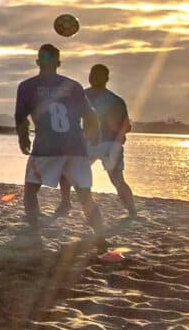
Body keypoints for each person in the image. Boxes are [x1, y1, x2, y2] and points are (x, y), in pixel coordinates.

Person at [15, 44, 104, 240]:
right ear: (59, 63)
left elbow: (21, 118)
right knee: (85, 196)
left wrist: (23, 138)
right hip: (75, 148)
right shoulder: (73, 86)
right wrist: (93, 136)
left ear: (38, 62)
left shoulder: (27, 86)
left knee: (30, 191)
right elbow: (90, 116)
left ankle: (34, 233)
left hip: (46, 148)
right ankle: (101, 238)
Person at [61, 63, 137, 219]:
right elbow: (126, 126)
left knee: (68, 173)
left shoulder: (85, 96)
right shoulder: (113, 99)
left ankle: (66, 202)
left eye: (95, 74)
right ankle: (132, 211)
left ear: (106, 78)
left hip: (100, 144)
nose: (92, 77)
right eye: (91, 74)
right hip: (102, 144)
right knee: (117, 180)